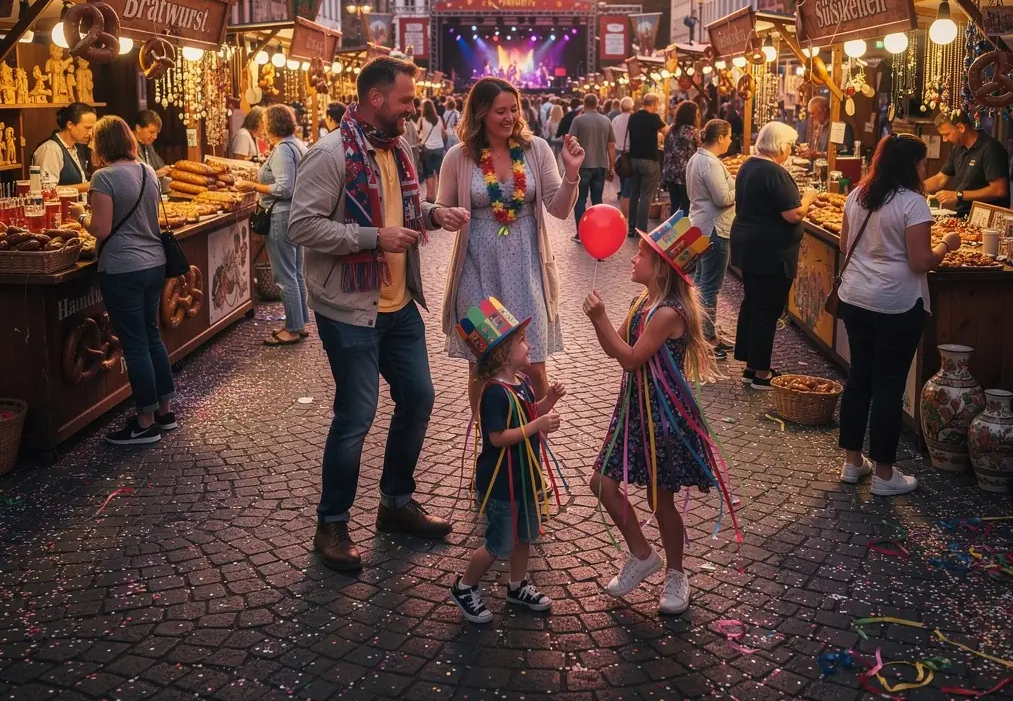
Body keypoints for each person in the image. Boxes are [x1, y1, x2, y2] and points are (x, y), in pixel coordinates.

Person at [288, 57, 471, 572]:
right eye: (407, 101)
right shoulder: (330, 154)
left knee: (419, 396)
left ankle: (394, 503)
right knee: (356, 415)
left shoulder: (398, 148)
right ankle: (332, 522)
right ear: (376, 100)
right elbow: (301, 227)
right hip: (349, 308)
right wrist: (373, 238)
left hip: (399, 301)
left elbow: (403, 213)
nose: (414, 110)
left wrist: (436, 214)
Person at [582, 211, 729, 615]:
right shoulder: (643, 302)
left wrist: (599, 320)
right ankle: (643, 554)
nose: (633, 256)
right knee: (602, 483)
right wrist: (602, 326)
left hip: (662, 419)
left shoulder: (666, 314)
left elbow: (629, 358)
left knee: (660, 500)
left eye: (641, 252)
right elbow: (621, 354)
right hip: (634, 410)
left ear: (661, 267)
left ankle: (676, 574)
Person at [438, 77, 585, 410]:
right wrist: (442, 215)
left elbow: (559, 209)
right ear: (479, 114)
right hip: (477, 269)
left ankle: (534, 444)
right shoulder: (458, 157)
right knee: (482, 363)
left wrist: (571, 174)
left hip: (526, 269)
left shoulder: (536, 150)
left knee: (533, 362)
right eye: (499, 111)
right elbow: (437, 207)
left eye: (514, 109)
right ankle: (489, 442)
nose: (509, 117)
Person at [838, 134, 961, 496]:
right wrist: (946, 245)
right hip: (896, 302)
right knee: (888, 386)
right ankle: (885, 474)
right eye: (923, 163)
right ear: (912, 165)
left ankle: (852, 462)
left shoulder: (857, 195)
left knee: (859, 378)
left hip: (856, 299)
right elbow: (921, 261)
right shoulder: (913, 203)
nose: (926, 169)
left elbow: (846, 246)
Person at [449, 299, 563, 623]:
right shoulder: (495, 393)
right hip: (501, 484)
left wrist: (548, 402)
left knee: (526, 534)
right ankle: (465, 585)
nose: (530, 346)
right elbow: (497, 438)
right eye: (522, 342)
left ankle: (517, 585)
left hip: (524, 476)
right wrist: (535, 426)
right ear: (502, 354)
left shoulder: (522, 383)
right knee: (498, 542)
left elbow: (530, 412)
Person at [70, 117, 174, 446]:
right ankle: (164, 411)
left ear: (102, 144)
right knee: (152, 337)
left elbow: (100, 229)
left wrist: (79, 216)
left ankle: (144, 422)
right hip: (155, 263)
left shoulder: (104, 177)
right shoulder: (145, 170)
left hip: (123, 267)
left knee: (135, 345)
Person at [731, 122, 817, 390]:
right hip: (770, 252)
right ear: (780, 145)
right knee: (767, 310)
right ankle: (761, 373)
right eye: (790, 145)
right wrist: (809, 198)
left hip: (750, 245)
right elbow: (793, 213)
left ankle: (750, 365)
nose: (790, 150)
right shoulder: (773, 172)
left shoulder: (749, 165)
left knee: (754, 303)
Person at [237, 104, 308, 346]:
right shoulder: (297, 144)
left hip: (281, 215)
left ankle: (292, 328)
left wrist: (253, 186)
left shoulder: (283, 150)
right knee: (295, 271)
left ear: (271, 124)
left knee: (285, 274)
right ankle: (299, 322)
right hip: (295, 214)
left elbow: (283, 188)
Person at [686, 119, 736, 362]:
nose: (730, 141)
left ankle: (701, 332)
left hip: (699, 225)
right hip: (714, 228)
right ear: (720, 138)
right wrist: (741, 188)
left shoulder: (696, 159)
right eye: (729, 137)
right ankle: (706, 338)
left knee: (699, 282)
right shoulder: (710, 163)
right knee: (709, 286)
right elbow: (722, 198)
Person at [923, 110, 1010, 217]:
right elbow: (940, 179)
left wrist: (959, 195)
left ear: (961, 128)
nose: (944, 140)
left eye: (947, 134)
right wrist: (913, 188)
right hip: (963, 214)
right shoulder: (958, 148)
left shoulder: (990, 148)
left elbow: (999, 190)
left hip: (988, 218)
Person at [568, 94, 615, 240]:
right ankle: (596, 231)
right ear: (597, 103)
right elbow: (611, 145)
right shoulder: (606, 121)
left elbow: (571, 141)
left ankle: (581, 233)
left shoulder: (578, 120)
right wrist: (611, 166)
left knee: (580, 199)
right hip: (600, 165)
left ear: (584, 104)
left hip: (583, 166)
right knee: (597, 201)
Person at [625, 94, 665, 238]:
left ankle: (631, 228)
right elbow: (667, 131)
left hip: (633, 160)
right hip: (649, 161)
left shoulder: (633, 117)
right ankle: (641, 230)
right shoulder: (653, 118)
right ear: (654, 104)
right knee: (646, 196)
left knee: (634, 194)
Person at [32, 102, 96, 190]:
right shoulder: (50, 149)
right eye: (87, 128)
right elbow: (47, 189)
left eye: (93, 128)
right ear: (70, 125)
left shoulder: (78, 146)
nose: (90, 133)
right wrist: (87, 186)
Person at [661, 101, 700, 216]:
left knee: (675, 205)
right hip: (685, 174)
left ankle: (673, 231)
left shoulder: (672, 129)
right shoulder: (692, 132)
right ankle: (683, 232)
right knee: (686, 206)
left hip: (670, 172)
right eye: (697, 114)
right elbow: (701, 150)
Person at [798, 95, 854, 159]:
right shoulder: (819, 126)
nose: (811, 116)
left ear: (824, 110)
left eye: (813, 113)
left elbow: (846, 152)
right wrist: (807, 151)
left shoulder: (841, 126)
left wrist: (821, 155)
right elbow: (817, 150)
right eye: (810, 113)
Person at [416, 99, 447, 203]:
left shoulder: (421, 119)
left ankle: (430, 196)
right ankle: (441, 195)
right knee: (439, 172)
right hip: (439, 147)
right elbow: (443, 133)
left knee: (429, 174)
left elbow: (418, 135)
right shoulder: (438, 118)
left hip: (427, 148)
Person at [134, 110, 172, 190]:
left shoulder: (148, 145)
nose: (155, 137)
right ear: (138, 128)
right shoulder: (128, 146)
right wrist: (158, 173)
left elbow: (159, 167)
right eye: (151, 132)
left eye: (157, 133)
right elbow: (136, 177)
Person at [611, 97, 635, 220]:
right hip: (629, 155)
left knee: (623, 183)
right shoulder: (634, 118)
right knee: (628, 188)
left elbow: (612, 139)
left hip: (618, 154)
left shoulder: (615, 119)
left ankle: (624, 214)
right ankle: (626, 216)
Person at [546, 102, 565, 174]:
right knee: (560, 158)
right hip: (560, 140)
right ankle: (560, 173)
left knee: (553, 157)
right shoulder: (562, 120)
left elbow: (547, 131)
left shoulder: (550, 120)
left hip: (552, 139)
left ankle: (554, 172)